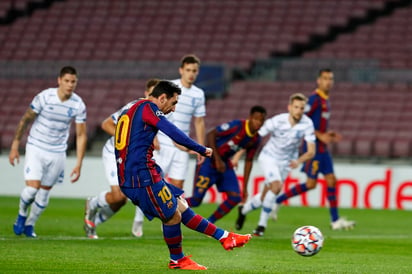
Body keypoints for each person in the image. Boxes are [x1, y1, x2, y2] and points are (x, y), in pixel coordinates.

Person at [115, 80, 251, 270]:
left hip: (141, 173)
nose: (173, 109)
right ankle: (177, 260)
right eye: (173, 103)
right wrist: (200, 149)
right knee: (172, 216)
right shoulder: (149, 107)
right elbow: (171, 130)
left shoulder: (132, 106)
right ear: (162, 98)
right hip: (140, 177)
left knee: (181, 205)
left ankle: (225, 237)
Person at [272, 69, 355, 231]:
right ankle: (278, 200)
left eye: (331, 79)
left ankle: (335, 220)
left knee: (331, 180)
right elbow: (303, 120)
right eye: (325, 79)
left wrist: (326, 135)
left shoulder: (326, 101)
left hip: (322, 147)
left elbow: (317, 124)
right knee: (311, 184)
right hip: (313, 147)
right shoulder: (315, 99)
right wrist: (320, 136)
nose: (328, 82)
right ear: (318, 80)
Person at [9, 66, 87, 238]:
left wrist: (79, 163)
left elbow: (81, 135)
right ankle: (22, 215)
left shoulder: (78, 104)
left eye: (73, 82)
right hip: (36, 146)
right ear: (59, 80)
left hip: (57, 152)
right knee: (32, 190)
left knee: (44, 194)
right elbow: (25, 120)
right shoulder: (44, 97)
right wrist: (15, 146)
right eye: (66, 81)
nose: (70, 85)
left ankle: (30, 225)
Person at [83, 79, 159, 239]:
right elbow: (106, 124)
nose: (155, 98)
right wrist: (128, 139)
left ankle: (93, 223)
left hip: (133, 158)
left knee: (121, 200)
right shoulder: (134, 107)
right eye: (152, 94)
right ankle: (94, 203)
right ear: (146, 94)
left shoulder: (158, 112)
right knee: (118, 196)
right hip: (114, 153)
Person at [235, 93, 316, 236]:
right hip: (269, 157)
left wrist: (298, 161)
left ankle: (244, 210)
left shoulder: (307, 124)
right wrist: (238, 154)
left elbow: (311, 151)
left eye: (302, 108)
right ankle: (261, 226)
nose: (299, 110)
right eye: (296, 107)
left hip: (286, 163)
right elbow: (255, 137)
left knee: (266, 195)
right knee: (277, 186)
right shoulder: (277, 121)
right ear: (290, 107)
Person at [186, 106, 267, 223]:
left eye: (261, 120)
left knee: (235, 197)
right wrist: (217, 160)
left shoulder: (256, 139)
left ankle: (209, 223)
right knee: (196, 200)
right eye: (256, 119)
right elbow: (211, 134)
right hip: (208, 162)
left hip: (224, 164)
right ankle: (169, 207)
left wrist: (245, 187)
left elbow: (249, 162)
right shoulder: (237, 125)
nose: (258, 123)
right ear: (250, 117)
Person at [154, 54, 206, 190]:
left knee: (177, 187)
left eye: (194, 71)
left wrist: (201, 148)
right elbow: (153, 110)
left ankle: (170, 212)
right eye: (188, 70)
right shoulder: (169, 86)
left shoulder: (198, 94)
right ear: (181, 70)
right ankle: (141, 212)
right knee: (153, 184)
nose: (191, 74)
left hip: (182, 145)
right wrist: (153, 137)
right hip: (163, 143)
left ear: (197, 72)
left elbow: (199, 122)